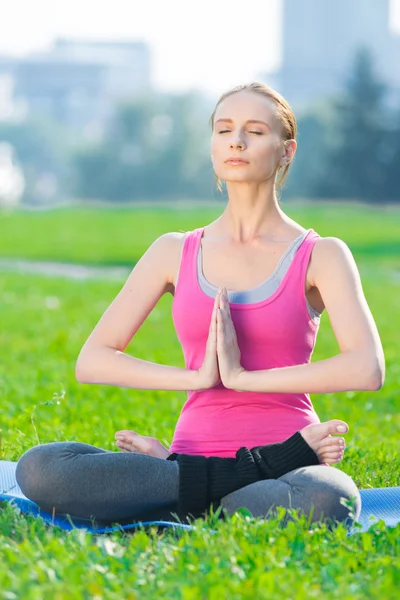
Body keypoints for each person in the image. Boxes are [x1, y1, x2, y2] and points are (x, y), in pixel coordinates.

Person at [15, 82, 385, 529]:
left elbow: (367, 368)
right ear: (212, 146)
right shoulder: (174, 250)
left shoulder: (321, 254)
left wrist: (244, 378)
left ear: (287, 151)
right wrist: (197, 377)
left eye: (255, 131)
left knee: (331, 497)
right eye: (224, 129)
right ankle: (219, 487)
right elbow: (92, 361)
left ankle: (187, 493)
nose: (237, 141)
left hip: (287, 470)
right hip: (201, 458)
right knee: (39, 467)